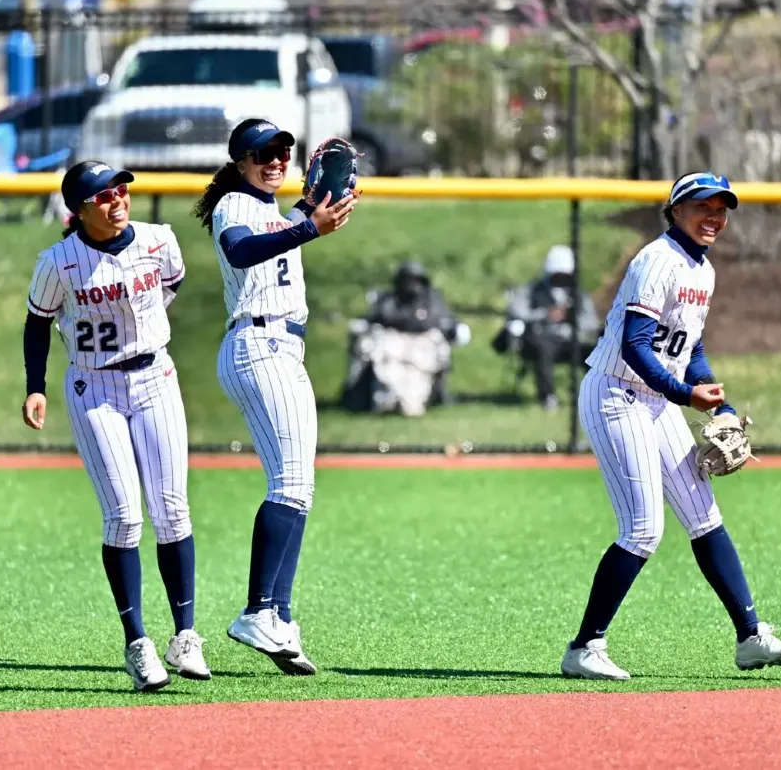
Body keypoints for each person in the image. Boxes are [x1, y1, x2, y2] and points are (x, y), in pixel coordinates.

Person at [560, 172, 781, 681]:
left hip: (657, 398)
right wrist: (683, 395)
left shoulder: (703, 269)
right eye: (703, 206)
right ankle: (585, 647)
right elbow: (634, 346)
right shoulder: (656, 261)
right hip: (616, 394)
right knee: (643, 529)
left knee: (703, 515)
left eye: (722, 208)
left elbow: (689, 349)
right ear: (675, 211)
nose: (714, 216)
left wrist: (719, 403)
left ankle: (750, 637)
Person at [22, 161, 208, 692]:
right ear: (79, 210)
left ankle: (186, 636)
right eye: (102, 195)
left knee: (172, 510)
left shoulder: (158, 240)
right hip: (94, 388)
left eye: (120, 188)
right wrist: (35, 385)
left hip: (155, 376)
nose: (117, 198)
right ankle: (138, 643)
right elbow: (37, 323)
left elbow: (169, 287)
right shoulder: (59, 262)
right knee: (125, 517)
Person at [191, 119, 358, 676]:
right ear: (240, 161)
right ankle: (257, 610)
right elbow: (242, 253)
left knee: (299, 487)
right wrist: (308, 228)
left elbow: (286, 229)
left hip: (282, 348)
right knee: (289, 483)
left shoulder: (275, 212)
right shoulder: (236, 204)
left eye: (284, 150)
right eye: (263, 152)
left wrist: (310, 214)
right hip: (258, 343)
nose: (276, 158)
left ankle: (279, 617)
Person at [341, 260, 467, 415]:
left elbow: (451, 327)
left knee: (411, 403)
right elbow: (370, 321)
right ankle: (361, 394)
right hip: (391, 350)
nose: (410, 285)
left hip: (422, 352)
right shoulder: (387, 301)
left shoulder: (433, 303)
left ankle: (434, 395)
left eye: (415, 280)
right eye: (406, 280)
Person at [492, 245, 600, 410]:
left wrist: (572, 318)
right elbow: (516, 311)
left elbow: (591, 321)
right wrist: (545, 315)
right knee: (543, 349)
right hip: (538, 340)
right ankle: (547, 397)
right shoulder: (533, 290)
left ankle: (596, 396)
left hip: (568, 341)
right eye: (557, 275)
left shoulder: (578, 294)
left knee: (596, 352)